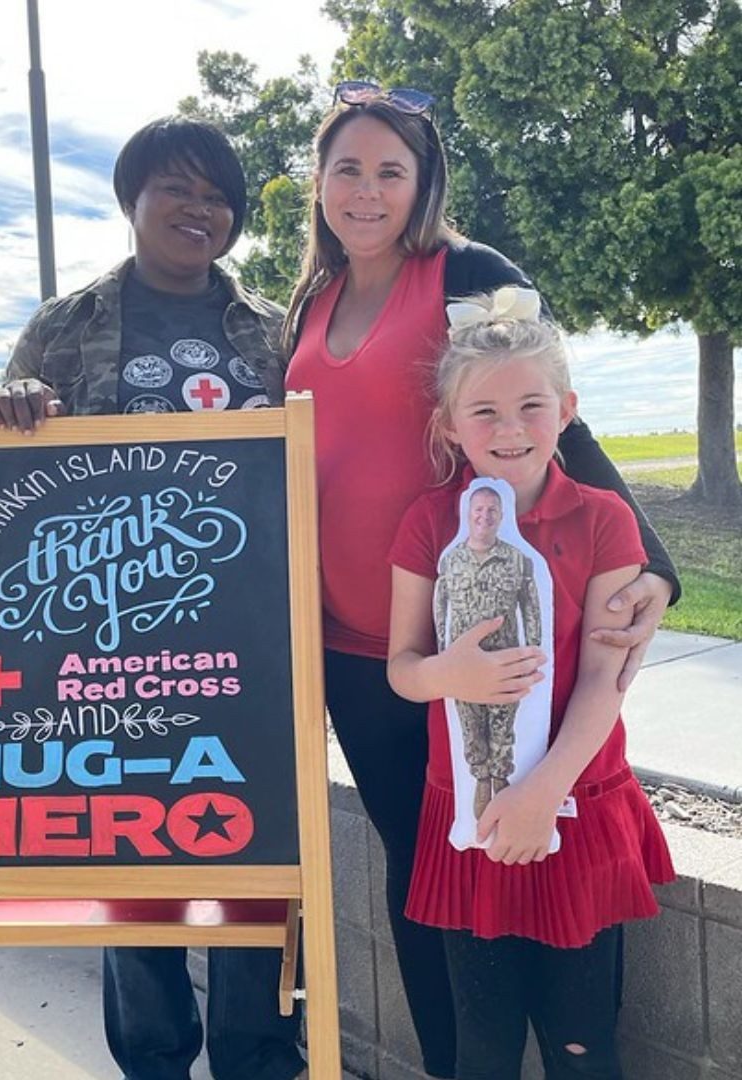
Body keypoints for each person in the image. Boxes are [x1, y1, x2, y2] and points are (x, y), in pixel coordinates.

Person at [283, 84, 679, 1079]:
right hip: (361, 654)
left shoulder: (467, 274)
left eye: (390, 171)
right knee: (424, 875)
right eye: (347, 169)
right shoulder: (310, 300)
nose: (366, 191)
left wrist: (654, 569)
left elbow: (546, 410)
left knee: (497, 854)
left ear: (422, 186)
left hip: (480, 644)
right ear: (318, 183)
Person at [0, 117, 305, 1080]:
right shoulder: (64, 325)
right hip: (111, 642)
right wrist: (17, 413)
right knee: (130, 855)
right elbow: (9, 484)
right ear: (131, 199)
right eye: (176, 187)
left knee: (261, 852)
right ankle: (156, 1057)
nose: (198, 209)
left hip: (252, 636)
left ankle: (259, 1053)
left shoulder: (274, 330)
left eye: (216, 196)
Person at [387, 297, 675, 1079]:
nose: (509, 428)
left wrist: (544, 791)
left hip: (572, 802)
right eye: (483, 411)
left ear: (566, 413)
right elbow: (403, 667)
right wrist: (452, 674)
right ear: (449, 425)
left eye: (530, 407)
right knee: (482, 1039)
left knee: (581, 1039)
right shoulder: (425, 524)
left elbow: (605, 678)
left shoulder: (605, 518)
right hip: (471, 811)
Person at [435, 485, 543, 820]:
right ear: (468, 514)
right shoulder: (451, 562)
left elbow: (531, 607)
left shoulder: (516, 560)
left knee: (501, 728)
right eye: (478, 510)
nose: (485, 516)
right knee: (472, 727)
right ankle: (481, 781)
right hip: (462, 668)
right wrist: (443, 655)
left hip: (505, 663)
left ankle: (500, 780)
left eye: (492, 511)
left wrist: (533, 651)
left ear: (501, 516)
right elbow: (441, 608)